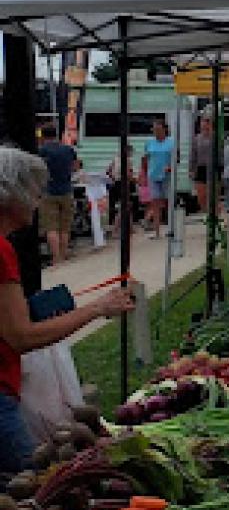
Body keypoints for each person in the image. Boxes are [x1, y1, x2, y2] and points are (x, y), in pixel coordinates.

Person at [0, 146, 135, 477]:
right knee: (33, 482)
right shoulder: (2, 251)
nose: (38, 199)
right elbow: (21, 336)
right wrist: (98, 307)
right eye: (33, 189)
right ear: (11, 194)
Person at [36, 122, 78, 266]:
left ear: (43, 136)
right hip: (66, 190)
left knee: (51, 227)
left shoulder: (41, 151)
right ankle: (64, 254)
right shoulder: (68, 149)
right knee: (65, 227)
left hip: (48, 191)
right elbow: (75, 167)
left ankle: (56, 258)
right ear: (57, 134)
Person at [142, 118, 174, 239]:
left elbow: (177, 158)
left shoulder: (171, 142)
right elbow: (145, 159)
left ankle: (171, 228)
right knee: (155, 202)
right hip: (153, 176)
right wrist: (143, 174)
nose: (155, 132)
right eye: (154, 129)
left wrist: (170, 167)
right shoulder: (149, 143)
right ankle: (157, 232)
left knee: (168, 202)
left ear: (164, 130)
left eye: (158, 129)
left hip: (167, 176)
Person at [191, 114, 215, 214]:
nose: (205, 125)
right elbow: (193, 154)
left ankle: (213, 214)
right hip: (201, 168)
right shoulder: (196, 138)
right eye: (203, 122)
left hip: (213, 167)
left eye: (207, 122)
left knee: (212, 195)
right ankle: (206, 213)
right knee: (201, 196)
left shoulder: (215, 137)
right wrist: (191, 169)